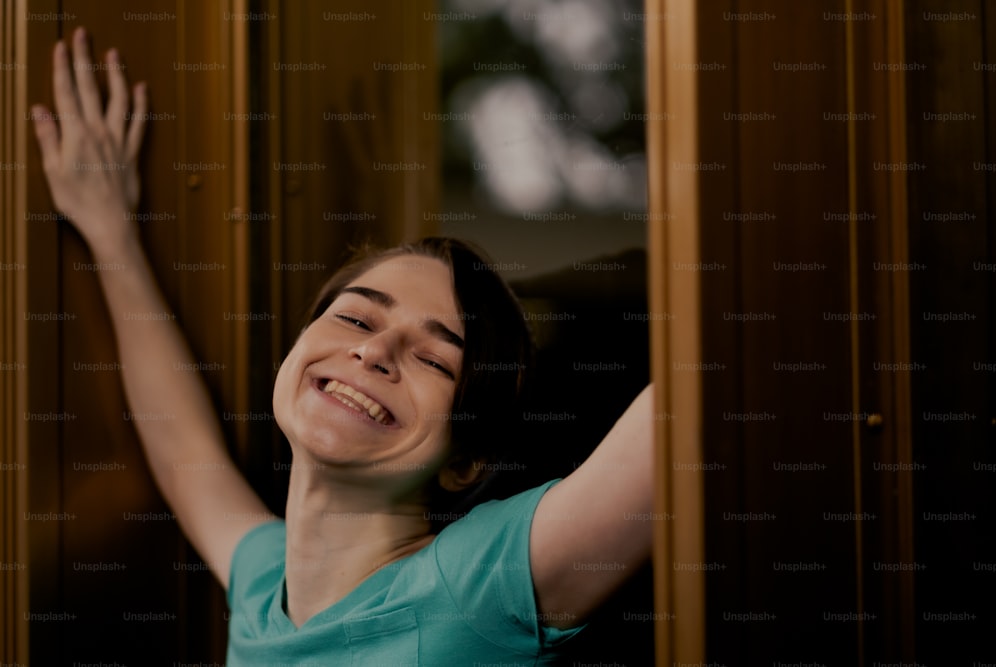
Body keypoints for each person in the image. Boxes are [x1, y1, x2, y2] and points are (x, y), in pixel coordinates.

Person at [32, 27, 654, 665]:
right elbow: (182, 448)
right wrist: (109, 233)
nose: (375, 351)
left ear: (465, 461)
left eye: (435, 359)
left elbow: (680, 415)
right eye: (356, 320)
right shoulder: (259, 588)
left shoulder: (482, 584)